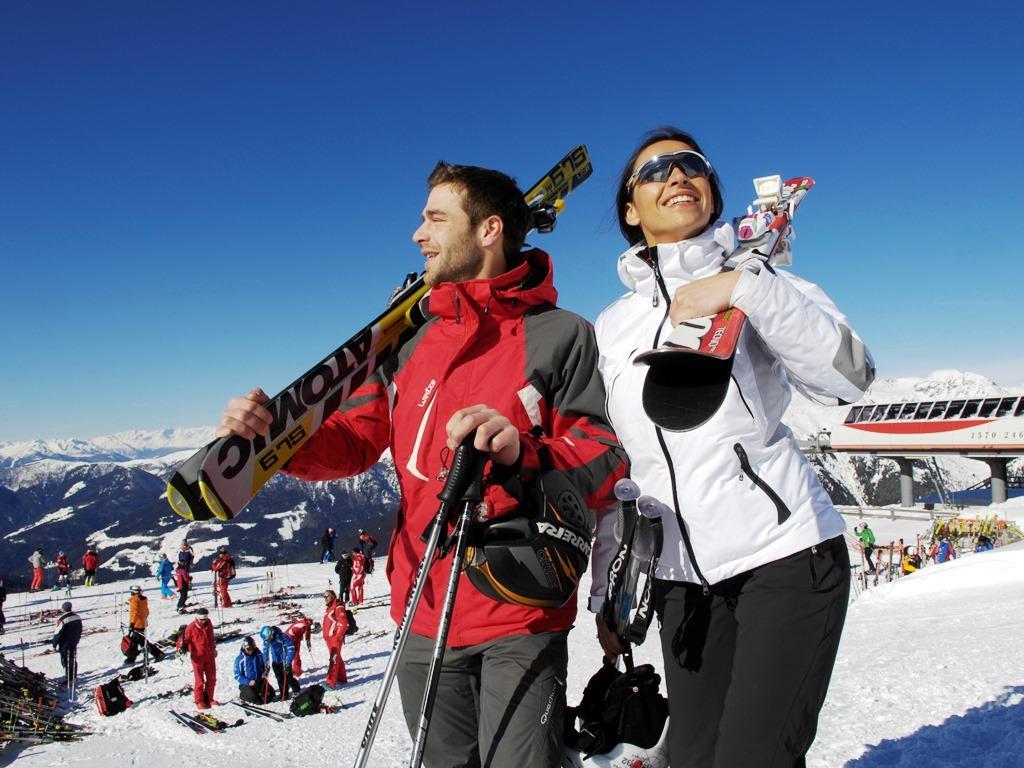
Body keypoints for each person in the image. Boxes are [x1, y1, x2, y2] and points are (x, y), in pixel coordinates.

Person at [216, 161, 625, 766]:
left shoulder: (562, 334)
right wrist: (278, 438)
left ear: (488, 230)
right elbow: (355, 439)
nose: (417, 233)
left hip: (520, 603)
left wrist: (525, 451)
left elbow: (604, 457)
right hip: (423, 606)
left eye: (435, 218)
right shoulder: (407, 340)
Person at [591, 127, 875, 768]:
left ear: (713, 192)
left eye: (691, 164)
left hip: (784, 557)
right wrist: (609, 589)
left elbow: (849, 378)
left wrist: (747, 290)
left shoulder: (762, 280)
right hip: (679, 583)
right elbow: (618, 471)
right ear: (631, 211)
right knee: (692, 758)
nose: (676, 175)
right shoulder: (612, 327)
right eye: (654, 170)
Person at [178, 607, 217, 709]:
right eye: (202, 620)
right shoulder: (191, 627)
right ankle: (199, 701)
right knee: (199, 680)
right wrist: (180, 648)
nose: (204, 621)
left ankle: (209, 699)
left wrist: (214, 649)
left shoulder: (209, 624)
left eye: (205, 619)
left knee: (212, 678)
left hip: (209, 655)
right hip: (197, 657)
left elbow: (211, 638)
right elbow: (182, 640)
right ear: (198, 618)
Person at [124, 585, 165, 664]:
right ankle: (131, 657)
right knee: (134, 641)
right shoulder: (143, 599)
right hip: (143, 622)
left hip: (136, 624)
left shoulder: (134, 600)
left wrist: (132, 623)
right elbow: (146, 611)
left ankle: (158, 654)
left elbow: (134, 613)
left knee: (142, 641)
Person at [260, 625, 300, 699]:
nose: (268, 641)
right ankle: (284, 694)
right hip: (275, 661)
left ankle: (296, 689)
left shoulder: (282, 637)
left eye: (268, 639)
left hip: (284, 661)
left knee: (288, 678)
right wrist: (266, 664)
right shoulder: (267, 640)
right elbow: (265, 651)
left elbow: (291, 648)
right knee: (280, 679)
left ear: (271, 634)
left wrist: (288, 662)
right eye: (266, 640)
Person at [234, 635, 275, 703]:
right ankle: (243, 696)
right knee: (256, 700)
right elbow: (237, 675)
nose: (250, 650)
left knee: (270, 696)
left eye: (252, 648)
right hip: (247, 684)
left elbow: (265, 666)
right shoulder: (240, 659)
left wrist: (265, 672)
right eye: (248, 649)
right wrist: (248, 682)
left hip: (259, 680)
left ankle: (258, 692)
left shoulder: (259, 654)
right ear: (244, 648)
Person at [322, 589, 349, 688]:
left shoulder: (338, 607)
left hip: (335, 639)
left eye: (327, 596)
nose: (325, 598)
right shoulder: (330, 607)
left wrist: (337, 637)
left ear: (333, 596)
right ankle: (341, 678)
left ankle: (330, 682)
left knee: (333, 659)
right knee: (337, 658)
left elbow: (344, 623)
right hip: (329, 639)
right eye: (324, 596)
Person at [52, 601, 82, 685]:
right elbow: (80, 629)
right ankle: (73, 676)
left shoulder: (62, 619)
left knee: (66, 660)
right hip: (74, 641)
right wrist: (77, 639)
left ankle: (69, 679)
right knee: (73, 659)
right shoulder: (77, 617)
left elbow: (57, 633)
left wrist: (54, 644)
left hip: (65, 644)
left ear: (63, 609)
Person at [285, 614, 314, 680]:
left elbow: (307, 633)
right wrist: (291, 643)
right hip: (289, 639)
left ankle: (297, 671)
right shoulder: (300, 625)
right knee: (289, 655)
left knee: (297, 655)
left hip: (296, 639)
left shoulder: (307, 625)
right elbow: (290, 632)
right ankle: (287, 671)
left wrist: (308, 641)